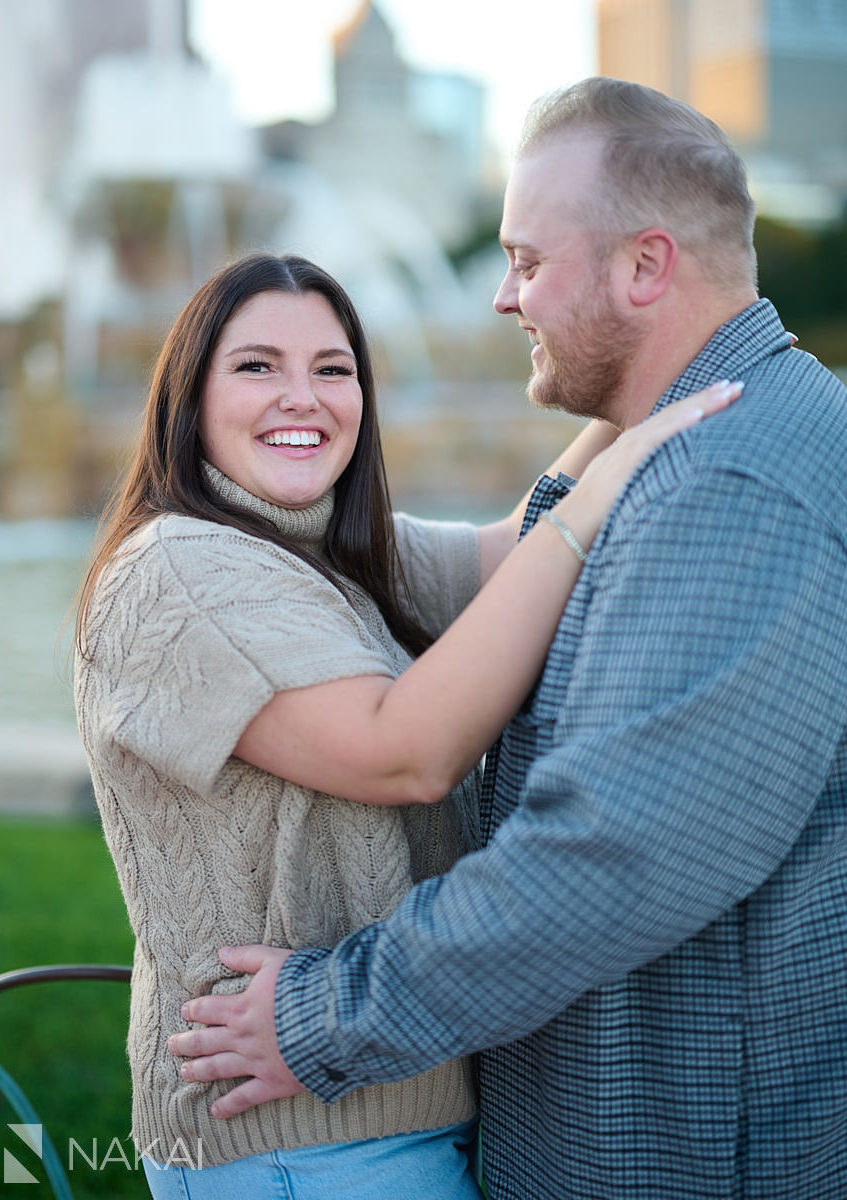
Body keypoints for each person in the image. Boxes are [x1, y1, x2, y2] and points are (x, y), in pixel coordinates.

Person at [169, 78, 847, 1200]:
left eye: (527, 261)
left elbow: (603, 864)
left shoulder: (734, 487)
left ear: (645, 267)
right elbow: (497, 564)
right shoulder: (711, 443)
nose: (500, 296)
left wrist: (322, 1017)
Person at [74, 250, 730, 1200]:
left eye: (332, 370)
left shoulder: (321, 550)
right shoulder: (179, 568)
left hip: (377, 1110)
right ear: (188, 397)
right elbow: (404, 752)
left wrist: (645, 376)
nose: (301, 397)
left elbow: (510, 557)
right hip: (296, 1143)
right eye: (257, 366)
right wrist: (608, 487)